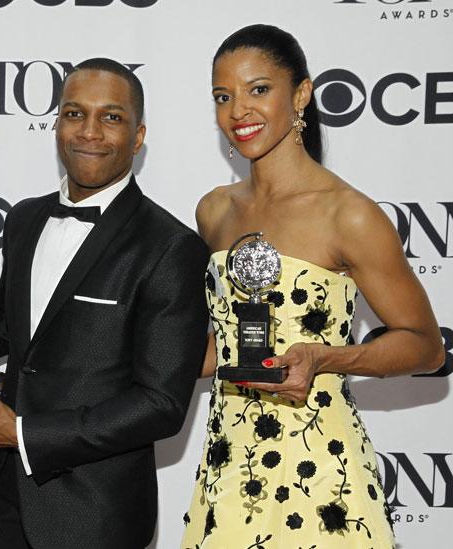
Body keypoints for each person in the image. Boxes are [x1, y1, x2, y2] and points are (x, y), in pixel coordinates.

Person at [181, 24, 445, 548]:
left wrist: (326, 359)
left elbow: (426, 345)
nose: (239, 111)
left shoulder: (348, 214)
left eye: (259, 89)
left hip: (321, 471)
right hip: (226, 465)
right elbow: (214, 348)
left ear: (301, 93)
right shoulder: (213, 211)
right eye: (223, 96)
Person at [0, 58, 210, 549]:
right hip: (5, 503)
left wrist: (23, 435)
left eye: (111, 117)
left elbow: (162, 404)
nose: (90, 132)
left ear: (138, 134)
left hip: (96, 517)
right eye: (74, 113)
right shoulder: (24, 219)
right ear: (57, 122)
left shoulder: (169, 247)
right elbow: (2, 333)